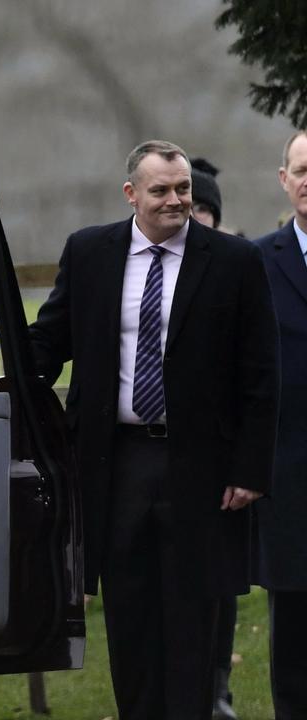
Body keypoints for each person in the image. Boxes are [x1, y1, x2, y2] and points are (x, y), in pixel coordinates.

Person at [28, 140, 279, 719]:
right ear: (131, 194)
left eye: (183, 189)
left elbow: (261, 374)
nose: (175, 201)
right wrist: (13, 378)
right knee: (130, 619)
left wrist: (249, 469)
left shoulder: (233, 261)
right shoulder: (90, 254)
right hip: (117, 467)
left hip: (202, 469)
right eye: (161, 190)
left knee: (194, 623)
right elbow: (50, 340)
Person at [253, 128, 307, 718]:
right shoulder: (258, 262)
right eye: (301, 169)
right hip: (289, 475)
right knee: (293, 630)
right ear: (285, 180)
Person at [190, 156, 240, 720]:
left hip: (221, 450)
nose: (195, 215)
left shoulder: (237, 268)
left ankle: (217, 686)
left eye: (205, 207)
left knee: (220, 581)